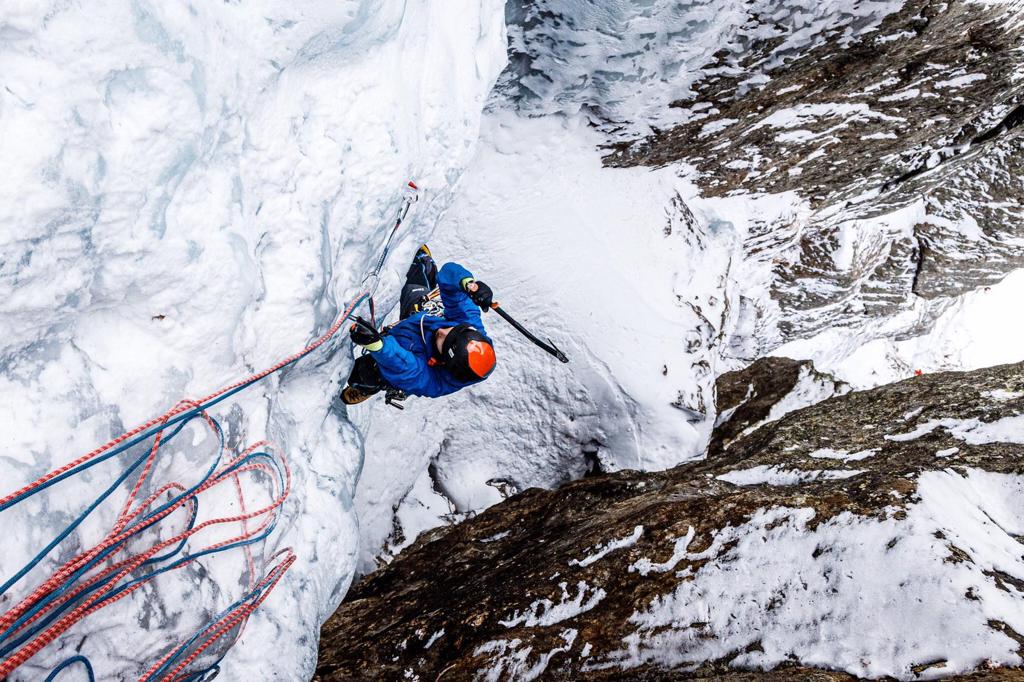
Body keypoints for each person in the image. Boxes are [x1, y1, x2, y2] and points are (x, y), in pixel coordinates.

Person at [341, 245, 496, 405]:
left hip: (405, 354)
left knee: (366, 372)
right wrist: (468, 284)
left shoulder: (432, 381)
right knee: (415, 276)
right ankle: (424, 264)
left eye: (443, 341)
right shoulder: (471, 330)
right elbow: (451, 278)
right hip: (417, 320)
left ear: (443, 362)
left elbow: (403, 366)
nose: (442, 331)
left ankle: (365, 386)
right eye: (451, 330)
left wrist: (377, 345)